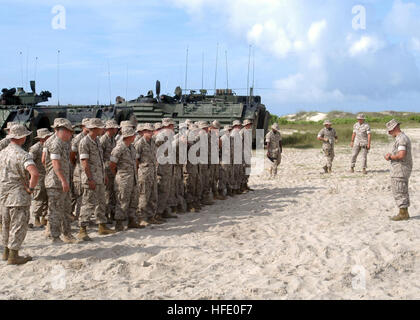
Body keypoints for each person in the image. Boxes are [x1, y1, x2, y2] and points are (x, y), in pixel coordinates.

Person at [0, 124, 39, 265]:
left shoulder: (2, 152)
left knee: (6, 224)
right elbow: (34, 173)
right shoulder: (23, 155)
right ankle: (14, 255)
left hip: (3, 194)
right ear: (22, 137)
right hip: (18, 195)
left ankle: (5, 252)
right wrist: (30, 188)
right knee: (18, 225)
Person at [78, 118, 115, 241]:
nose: (103, 129)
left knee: (101, 202)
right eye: (101, 127)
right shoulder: (85, 142)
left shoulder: (97, 141)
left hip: (99, 176)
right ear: (94, 129)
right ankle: (82, 230)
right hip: (91, 178)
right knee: (88, 204)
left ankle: (102, 226)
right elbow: (84, 162)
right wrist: (90, 178)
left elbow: (100, 160)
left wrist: (103, 175)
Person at [44, 118, 77, 243]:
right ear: (61, 131)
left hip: (62, 181)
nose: (70, 134)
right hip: (56, 182)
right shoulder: (55, 143)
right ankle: (55, 236)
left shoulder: (63, 142)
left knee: (65, 209)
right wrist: (62, 180)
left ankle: (67, 234)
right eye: (69, 131)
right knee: (55, 210)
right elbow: (55, 164)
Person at [110, 126, 142, 231]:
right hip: (123, 179)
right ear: (128, 136)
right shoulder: (119, 148)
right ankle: (119, 223)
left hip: (133, 178)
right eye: (133, 135)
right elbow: (112, 165)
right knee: (122, 200)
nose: (134, 137)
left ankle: (132, 220)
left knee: (133, 200)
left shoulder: (132, 147)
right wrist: (120, 175)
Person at [384, 119, 413, 221]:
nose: (389, 133)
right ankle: (403, 212)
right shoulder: (401, 138)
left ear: (394, 128)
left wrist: (390, 157)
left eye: (390, 130)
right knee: (400, 190)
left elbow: (401, 155)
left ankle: (403, 213)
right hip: (400, 169)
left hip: (400, 169)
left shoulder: (401, 139)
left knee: (400, 190)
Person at [135, 123, 160, 224]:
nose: (150, 133)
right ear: (144, 132)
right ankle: (142, 218)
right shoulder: (139, 143)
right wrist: (139, 170)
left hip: (153, 172)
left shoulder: (153, 142)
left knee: (153, 195)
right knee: (144, 195)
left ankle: (151, 216)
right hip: (144, 173)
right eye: (148, 131)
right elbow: (136, 159)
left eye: (151, 131)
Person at [29, 128, 53, 227]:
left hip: (48, 175)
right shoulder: (35, 148)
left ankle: (44, 217)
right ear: (42, 138)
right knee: (38, 198)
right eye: (47, 137)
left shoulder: (49, 146)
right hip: (39, 176)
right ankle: (36, 218)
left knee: (48, 198)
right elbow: (29, 162)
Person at [99, 120, 119, 223]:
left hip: (112, 170)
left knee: (112, 193)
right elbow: (100, 158)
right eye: (114, 128)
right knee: (106, 193)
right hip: (106, 170)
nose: (116, 130)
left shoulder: (113, 139)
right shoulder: (103, 140)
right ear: (109, 129)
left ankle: (112, 213)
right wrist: (103, 173)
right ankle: (105, 215)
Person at [70, 118, 90, 219]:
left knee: (86, 196)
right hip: (79, 170)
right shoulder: (78, 139)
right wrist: (77, 165)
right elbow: (72, 155)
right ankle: (78, 216)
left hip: (87, 170)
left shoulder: (91, 138)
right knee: (79, 195)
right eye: (87, 126)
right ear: (83, 127)